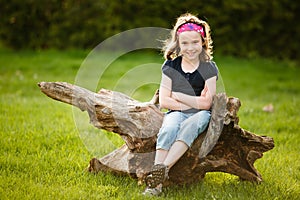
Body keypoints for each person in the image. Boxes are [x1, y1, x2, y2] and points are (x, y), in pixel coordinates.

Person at [143, 13, 218, 196]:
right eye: (185, 43)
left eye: (195, 42)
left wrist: (179, 96)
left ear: (203, 42)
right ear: (178, 43)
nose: (190, 48)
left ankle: (161, 170)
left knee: (191, 126)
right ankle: (156, 185)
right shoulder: (171, 66)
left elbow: (207, 103)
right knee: (168, 128)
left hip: (200, 115)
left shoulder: (209, 68)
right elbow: (165, 101)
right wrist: (194, 101)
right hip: (175, 112)